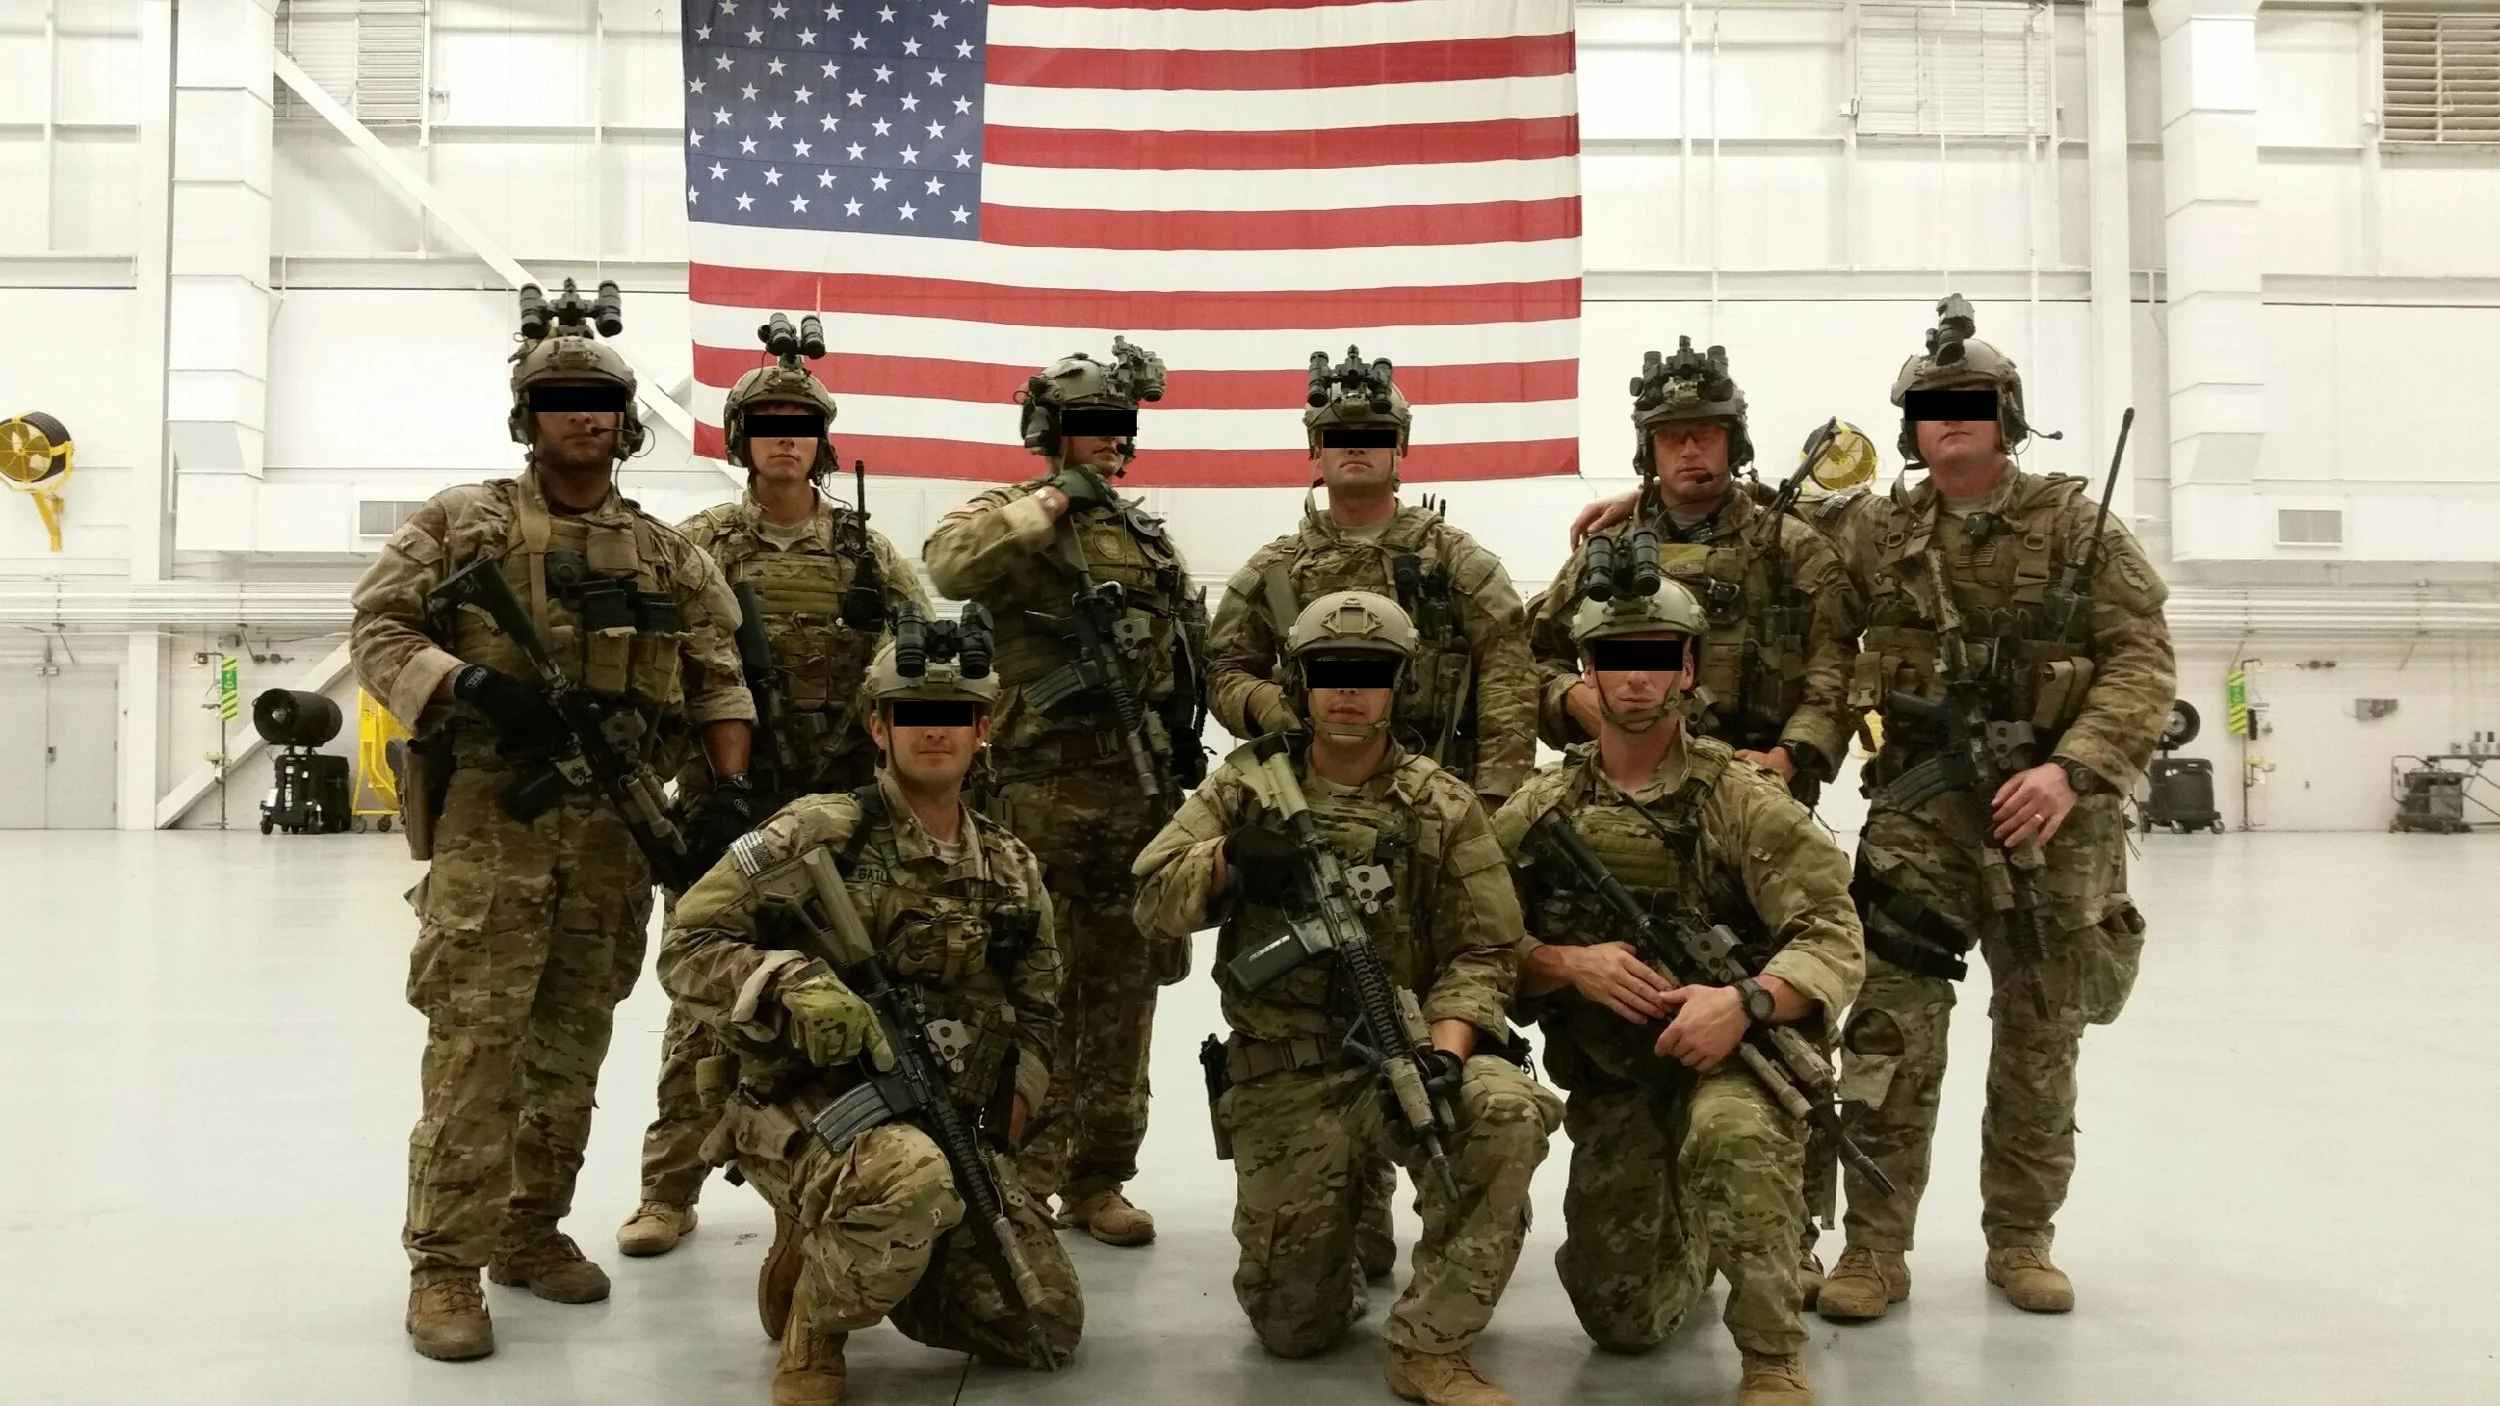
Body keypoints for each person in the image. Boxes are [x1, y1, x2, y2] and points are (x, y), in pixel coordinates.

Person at [350, 282, 754, 1361]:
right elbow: (378, 625)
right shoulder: (461, 521)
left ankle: (529, 1231)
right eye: (561, 400)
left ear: (626, 424)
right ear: (527, 418)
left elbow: (719, 677)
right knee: (476, 1049)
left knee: (573, 1045)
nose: (584, 417)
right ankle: (444, 1265)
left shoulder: (670, 554)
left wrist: (721, 792)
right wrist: (468, 687)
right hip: (495, 829)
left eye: (601, 403)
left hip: (615, 836)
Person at [1809, 296, 2172, 1321]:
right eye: (1932, 405)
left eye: (1970, 403)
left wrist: (2073, 769)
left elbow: (2142, 662)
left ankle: (2020, 1236)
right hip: (1921, 819)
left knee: (2039, 1033)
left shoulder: (2076, 525)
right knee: (1887, 1032)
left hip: (2051, 821)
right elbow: (1815, 621)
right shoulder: (1873, 535)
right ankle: (1874, 1248)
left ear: (2006, 415)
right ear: (1910, 427)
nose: (1951, 418)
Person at [1132, 591, 1560, 1406]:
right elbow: (1150, 899)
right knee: (1293, 1331)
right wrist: (1227, 861)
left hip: (1409, 1048)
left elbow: (1488, 947)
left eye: (1369, 674)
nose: (1348, 691)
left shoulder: (1441, 802)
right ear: (1301, 682)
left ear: (1399, 685)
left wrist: (1448, 1049)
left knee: (1505, 1116)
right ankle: (1349, 1212)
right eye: (1330, 673)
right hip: (1286, 1070)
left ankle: (1431, 1345)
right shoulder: (1247, 785)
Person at [660, 622, 1081, 1403]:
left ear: (982, 731)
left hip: (940, 1109)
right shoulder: (820, 831)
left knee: (1039, 1326)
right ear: (878, 726)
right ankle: (815, 1327)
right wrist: (785, 980)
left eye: (955, 716)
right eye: (913, 712)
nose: (935, 731)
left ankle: (857, 1242)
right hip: (809, 1107)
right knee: (913, 1183)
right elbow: (688, 944)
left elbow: (1039, 1014)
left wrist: (1009, 1125)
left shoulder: (1013, 867)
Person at [1204, 347, 1537, 1280]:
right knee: (1333, 995)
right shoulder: (1273, 569)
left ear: (1401, 450)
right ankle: (1343, 1196)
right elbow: (1222, 667)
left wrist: (1499, 805)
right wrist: (1280, 715)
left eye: (1375, 436)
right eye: (1339, 437)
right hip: (1311, 807)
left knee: (1422, 1009)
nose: (1357, 450)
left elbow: (1509, 670)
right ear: (1315, 452)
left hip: (1434, 820)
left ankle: (1435, 1201)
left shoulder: (1455, 560)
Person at [1490, 583, 1862, 1406]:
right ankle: (1694, 1230)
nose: (1634, 679)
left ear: (1686, 671)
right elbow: (1473, 936)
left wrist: (1748, 1002)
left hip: (1734, 1057)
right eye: (1614, 659)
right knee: (1621, 1322)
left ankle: (1771, 1357)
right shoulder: (1543, 805)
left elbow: (1834, 934)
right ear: (1588, 673)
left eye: (1656, 659)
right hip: (1617, 1072)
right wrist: (1563, 962)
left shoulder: (1741, 798)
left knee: (1730, 1134)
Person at [620, 317, 929, 1260]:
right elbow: (662, 664)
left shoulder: (869, 553)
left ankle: (860, 1171)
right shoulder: (701, 544)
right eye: (767, 423)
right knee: (708, 1000)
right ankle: (668, 1191)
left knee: (861, 991)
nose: (785, 437)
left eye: (800, 422)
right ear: (742, 439)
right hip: (736, 802)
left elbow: (921, 666)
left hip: (842, 817)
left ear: (821, 440)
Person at [922, 340, 1205, 1245]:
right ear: (1051, 433)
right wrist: (1050, 503)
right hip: (1033, 802)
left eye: (1119, 430)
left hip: (1134, 798)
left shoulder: (1150, 542)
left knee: (1124, 997)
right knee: (1025, 993)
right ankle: (1015, 1170)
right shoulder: (1008, 515)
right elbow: (949, 566)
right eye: (1089, 428)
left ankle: (1099, 1177)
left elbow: (1190, 656)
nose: (1108, 444)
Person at [1524, 341, 1859, 813]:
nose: (1688, 450)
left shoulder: (1790, 547)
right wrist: (1572, 695)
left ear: (1734, 443)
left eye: (1704, 434)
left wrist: (1788, 757)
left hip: (1754, 792)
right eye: (1670, 438)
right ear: (1649, 451)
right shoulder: (1609, 545)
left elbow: (1837, 665)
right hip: (1622, 794)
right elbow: (1532, 654)